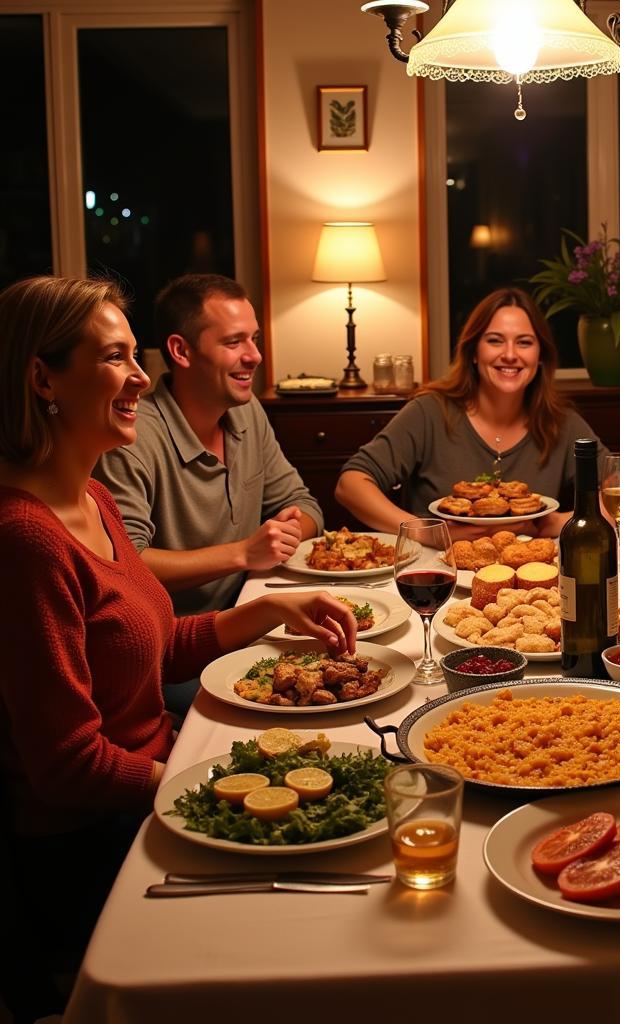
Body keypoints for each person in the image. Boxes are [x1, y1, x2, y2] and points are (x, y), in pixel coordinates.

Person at [0, 276, 356, 1021]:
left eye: (135, 356)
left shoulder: (91, 498)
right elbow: (67, 767)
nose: (138, 378)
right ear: (42, 378)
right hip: (89, 847)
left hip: (148, 784)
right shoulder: (26, 538)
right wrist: (204, 780)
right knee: (313, 935)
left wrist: (275, 610)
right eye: (114, 358)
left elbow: (154, 650)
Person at [93, 273, 323, 617]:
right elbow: (127, 563)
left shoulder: (247, 412)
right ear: (180, 351)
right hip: (178, 645)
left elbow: (304, 504)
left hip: (248, 610)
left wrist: (284, 534)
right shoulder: (131, 438)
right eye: (234, 343)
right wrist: (244, 553)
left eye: (254, 339)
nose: (255, 356)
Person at [335, 286, 610, 540]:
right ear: (474, 352)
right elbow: (350, 484)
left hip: (531, 576)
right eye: (495, 340)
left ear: (540, 356)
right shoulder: (430, 412)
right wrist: (424, 532)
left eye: (524, 342)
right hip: (438, 577)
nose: (510, 354)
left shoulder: (560, 421)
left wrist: (560, 522)